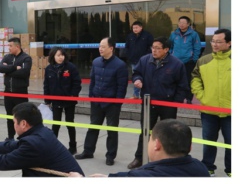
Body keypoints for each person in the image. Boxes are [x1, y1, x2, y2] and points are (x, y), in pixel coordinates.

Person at [0, 102, 84, 177]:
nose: (14, 125)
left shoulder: (34, 143)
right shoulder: (42, 132)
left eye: (14, 122)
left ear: (23, 124)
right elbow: (10, 146)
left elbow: (5, 161)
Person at [126, 36, 188, 169]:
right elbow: (136, 73)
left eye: (157, 48)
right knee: (145, 131)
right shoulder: (145, 60)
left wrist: (175, 102)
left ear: (166, 49)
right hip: (148, 103)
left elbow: (182, 86)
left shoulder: (176, 64)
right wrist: (137, 79)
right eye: (153, 47)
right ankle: (140, 157)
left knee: (169, 132)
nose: (154, 50)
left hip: (168, 104)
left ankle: (168, 160)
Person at [71, 119, 209, 177]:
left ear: (157, 145)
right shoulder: (201, 169)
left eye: (150, 139)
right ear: (190, 147)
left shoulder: (144, 176)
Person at [76, 37, 128, 165]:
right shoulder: (96, 62)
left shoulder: (120, 65)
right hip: (96, 101)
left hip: (112, 103)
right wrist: (91, 96)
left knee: (112, 130)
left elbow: (122, 86)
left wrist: (117, 103)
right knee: (93, 127)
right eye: (100, 46)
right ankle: (88, 151)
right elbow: (92, 81)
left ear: (111, 48)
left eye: (103, 47)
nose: (100, 49)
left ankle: (110, 156)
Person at [191, 28, 231, 177]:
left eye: (219, 42)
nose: (214, 44)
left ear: (229, 43)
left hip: (231, 112)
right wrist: (202, 96)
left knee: (232, 143)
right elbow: (195, 79)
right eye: (213, 41)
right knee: (208, 141)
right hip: (208, 110)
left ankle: (231, 170)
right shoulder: (204, 60)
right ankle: (208, 168)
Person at [43, 46, 82, 154]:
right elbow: (46, 85)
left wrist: (73, 95)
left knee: (70, 123)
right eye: (58, 55)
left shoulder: (70, 67)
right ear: (53, 56)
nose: (61, 57)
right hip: (56, 101)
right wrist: (47, 99)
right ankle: (53, 146)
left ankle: (73, 146)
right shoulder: (49, 69)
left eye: (62, 55)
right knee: (56, 124)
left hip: (69, 101)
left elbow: (77, 82)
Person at [0, 37, 32, 140]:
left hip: (20, 92)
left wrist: (8, 71)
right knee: (9, 116)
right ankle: (10, 137)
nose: (8, 48)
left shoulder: (26, 58)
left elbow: (24, 72)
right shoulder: (7, 57)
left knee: (22, 117)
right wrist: (14, 67)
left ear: (17, 46)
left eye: (10, 46)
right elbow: (0, 68)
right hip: (8, 92)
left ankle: (23, 138)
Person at [168, 15, 201, 102]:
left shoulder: (193, 34)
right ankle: (178, 97)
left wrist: (194, 59)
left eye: (183, 23)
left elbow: (197, 47)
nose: (181, 24)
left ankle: (188, 98)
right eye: (180, 22)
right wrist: (170, 55)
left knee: (188, 80)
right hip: (175, 61)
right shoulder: (174, 34)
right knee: (175, 79)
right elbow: (170, 46)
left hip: (189, 61)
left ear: (188, 24)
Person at [124, 20, 154, 98]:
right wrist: (129, 56)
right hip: (134, 60)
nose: (135, 29)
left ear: (141, 27)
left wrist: (147, 56)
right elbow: (127, 47)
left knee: (146, 77)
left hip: (145, 61)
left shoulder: (147, 35)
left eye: (136, 27)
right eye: (133, 28)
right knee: (136, 77)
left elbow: (151, 47)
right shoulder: (130, 36)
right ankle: (136, 94)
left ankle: (147, 94)